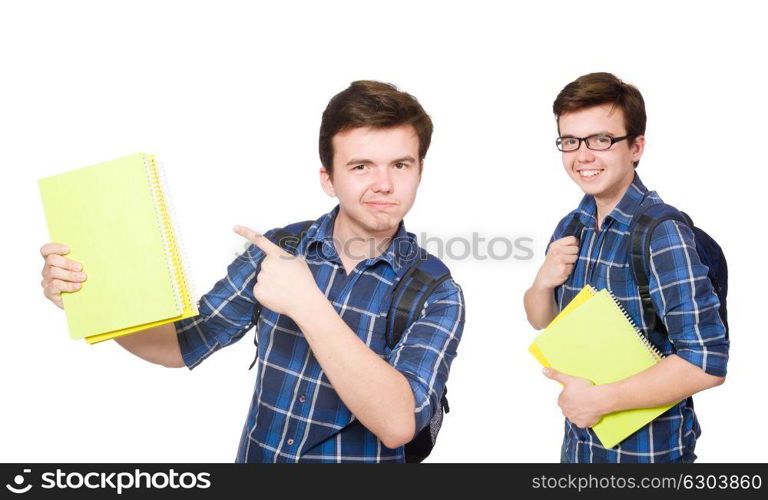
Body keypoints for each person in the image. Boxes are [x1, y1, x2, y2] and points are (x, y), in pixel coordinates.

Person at [39, 80, 465, 463]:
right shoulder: (276, 251)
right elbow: (180, 344)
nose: (384, 184)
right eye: (361, 166)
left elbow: (398, 425)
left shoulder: (436, 291)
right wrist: (91, 301)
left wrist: (307, 304)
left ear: (419, 172)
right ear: (329, 179)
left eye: (401, 165)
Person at [523, 72, 729, 463]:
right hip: (580, 451)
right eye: (570, 141)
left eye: (601, 140)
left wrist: (599, 401)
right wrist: (541, 283)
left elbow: (706, 363)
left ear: (636, 147)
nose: (582, 156)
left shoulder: (662, 234)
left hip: (649, 458)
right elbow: (542, 320)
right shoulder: (572, 227)